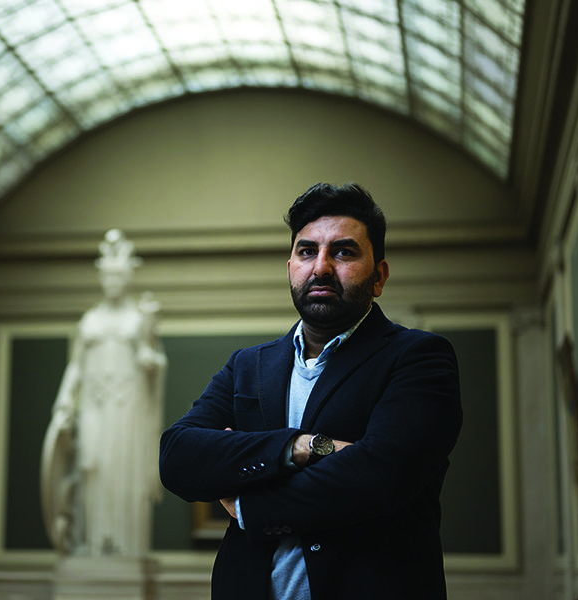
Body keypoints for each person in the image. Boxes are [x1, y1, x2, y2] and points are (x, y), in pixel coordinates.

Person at [159, 182, 463, 599]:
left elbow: (380, 477)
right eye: (307, 251)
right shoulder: (247, 366)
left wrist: (248, 503)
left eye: (343, 251)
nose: (320, 267)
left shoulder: (420, 358)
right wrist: (300, 446)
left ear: (380, 276)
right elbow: (177, 456)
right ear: (290, 269)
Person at [42, 229, 167, 557]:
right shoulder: (90, 320)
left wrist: (148, 360)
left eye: (118, 276)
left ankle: (124, 544)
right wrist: (65, 401)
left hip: (128, 407)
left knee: (123, 471)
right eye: (107, 277)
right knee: (90, 467)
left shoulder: (138, 319)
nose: (112, 283)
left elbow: (155, 361)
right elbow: (76, 366)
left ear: (127, 277)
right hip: (94, 406)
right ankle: (92, 541)